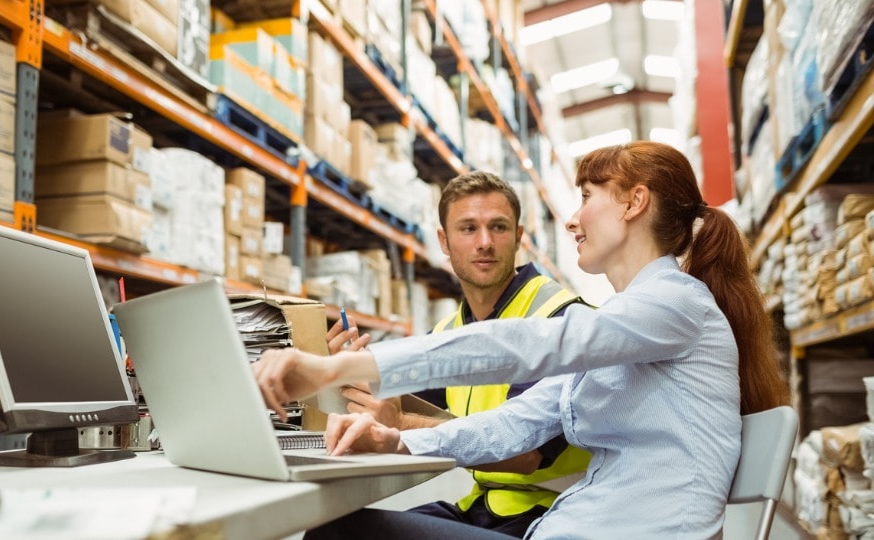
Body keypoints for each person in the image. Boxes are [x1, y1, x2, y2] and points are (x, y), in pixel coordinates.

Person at [254, 142, 790, 538]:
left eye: (586, 197)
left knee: (342, 533)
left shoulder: (676, 304)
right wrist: (401, 443)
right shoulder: (628, 324)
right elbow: (522, 418)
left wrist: (337, 369)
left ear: (634, 202)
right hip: (568, 529)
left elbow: (525, 345)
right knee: (341, 527)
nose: (572, 219)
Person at [324, 171, 592, 537]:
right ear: (444, 242)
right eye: (467, 229)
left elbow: (525, 455)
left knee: (344, 534)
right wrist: (346, 375)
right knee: (333, 526)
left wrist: (398, 424)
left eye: (498, 227)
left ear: (518, 237)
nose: (484, 242)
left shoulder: (555, 317)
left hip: (551, 515)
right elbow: (403, 404)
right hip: (484, 505)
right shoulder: (450, 331)